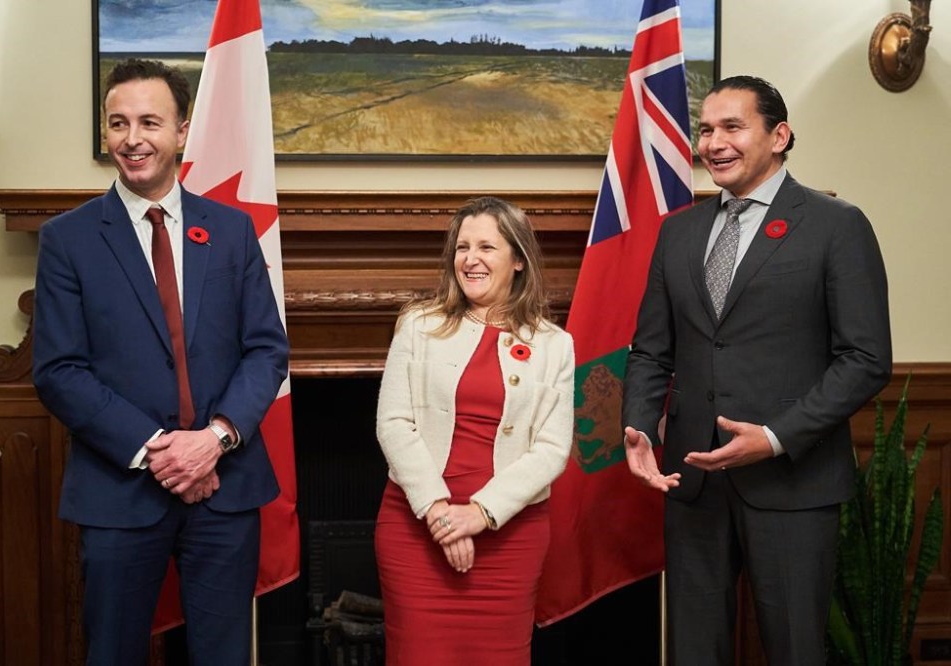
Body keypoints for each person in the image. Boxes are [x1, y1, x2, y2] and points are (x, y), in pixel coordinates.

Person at [622, 75, 892, 666]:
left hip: (793, 482)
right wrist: (640, 426)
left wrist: (773, 439)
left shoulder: (835, 225)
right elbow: (650, 350)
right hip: (693, 482)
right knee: (693, 651)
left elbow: (866, 360)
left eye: (732, 127)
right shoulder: (679, 232)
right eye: (705, 129)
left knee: (795, 650)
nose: (713, 142)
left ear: (779, 135)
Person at [32, 59, 289, 666]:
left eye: (150, 121)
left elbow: (266, 348)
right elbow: (59, 370)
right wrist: (160, 450)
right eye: (117, 123)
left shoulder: (230, 230)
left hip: (226, 488)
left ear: (181, 130)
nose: (132, 139)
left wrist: (214, 440)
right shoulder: (67, 240)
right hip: (119, 491)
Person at [374, 196, 575, 665]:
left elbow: (551, 450)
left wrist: (479, 514)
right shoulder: (417, 325)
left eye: (487, 246)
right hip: (417, 526)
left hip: (510, 538)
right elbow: (393, 423)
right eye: (462, 247)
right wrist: (441, 514)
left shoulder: (554, 345)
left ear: (519, 260)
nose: (471, 258)